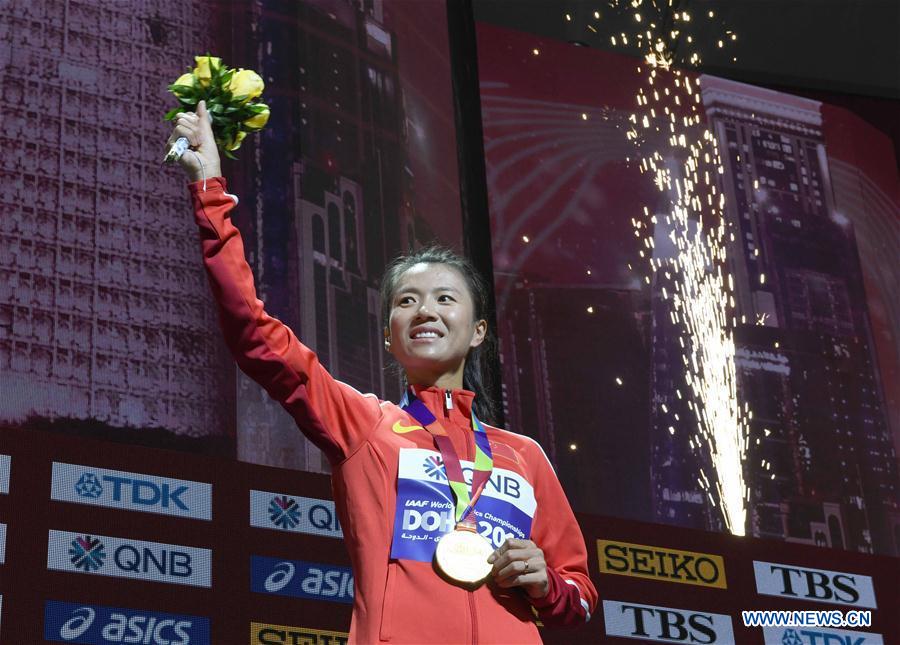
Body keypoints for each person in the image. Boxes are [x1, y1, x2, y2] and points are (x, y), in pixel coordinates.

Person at [166, 101, 597, 643]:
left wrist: (546, 584)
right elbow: (252, 332)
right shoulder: (364, 426)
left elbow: (580, 597)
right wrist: (209, 186)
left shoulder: (524, 456)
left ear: (479, 331)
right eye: (407, 301)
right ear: (388, 336)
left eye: (445, 298)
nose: (426, 311)